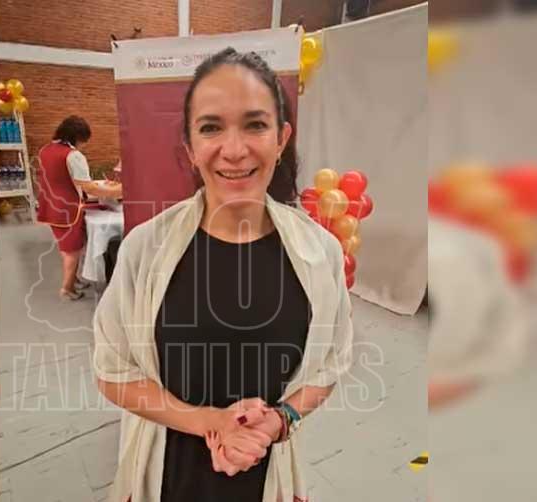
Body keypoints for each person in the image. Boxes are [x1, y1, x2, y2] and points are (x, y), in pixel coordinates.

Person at [93, 48, 354, 502]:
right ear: (190, 147)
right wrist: (209, 422)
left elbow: (331, 363)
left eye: (255, 125)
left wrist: (281, 420)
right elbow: (113, 372)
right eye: (211, 127)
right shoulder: (144, 250)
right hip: (168, 477)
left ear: (281, 138)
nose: (234, 150)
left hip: (267, 474)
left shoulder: (320, 253)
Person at [36, 115, 122, 301]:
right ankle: (67, 289)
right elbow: (89, 187)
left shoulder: (46, 150)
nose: (84, 145)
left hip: (50, 206)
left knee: (66, 247)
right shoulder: (73, 156)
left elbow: (60, 178)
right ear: (77, 136)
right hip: (67, 210)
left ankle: (73, 280)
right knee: (72, 251)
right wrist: (119, 191)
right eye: (84, 140)